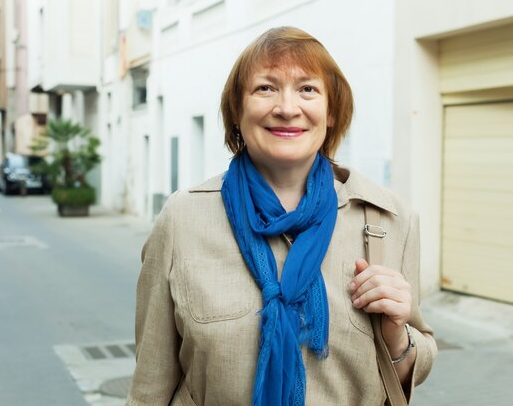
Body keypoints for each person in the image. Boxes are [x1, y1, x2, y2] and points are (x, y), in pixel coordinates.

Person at [127, 27, 436, 406]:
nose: (288, 108)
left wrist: (395, 332)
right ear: (236, 112)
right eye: (266, 88)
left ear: (332, 112)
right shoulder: (182, 219)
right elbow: (150, 384)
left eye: (308, 89)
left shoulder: (388, 220)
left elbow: (413, 364)